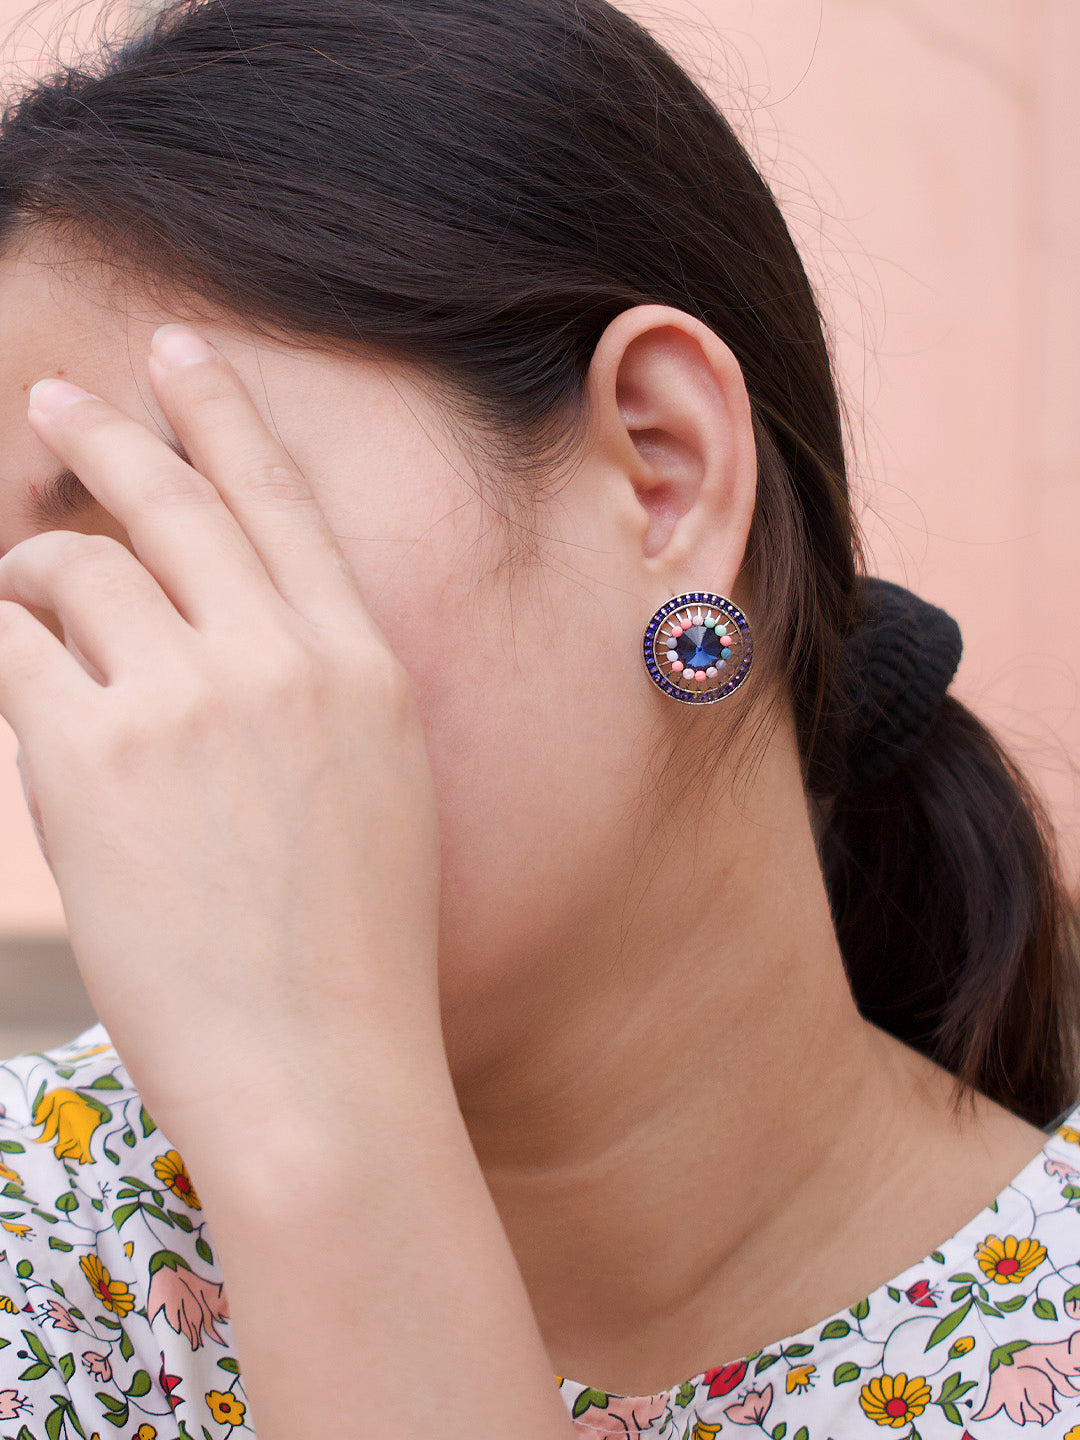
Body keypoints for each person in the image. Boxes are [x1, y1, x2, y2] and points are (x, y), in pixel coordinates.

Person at [0, 0, 1076, 1436]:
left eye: (177, 517)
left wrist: (328, 1130)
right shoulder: (44, 1250)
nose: (111, 711)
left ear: (662, 470)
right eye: (38, 597)